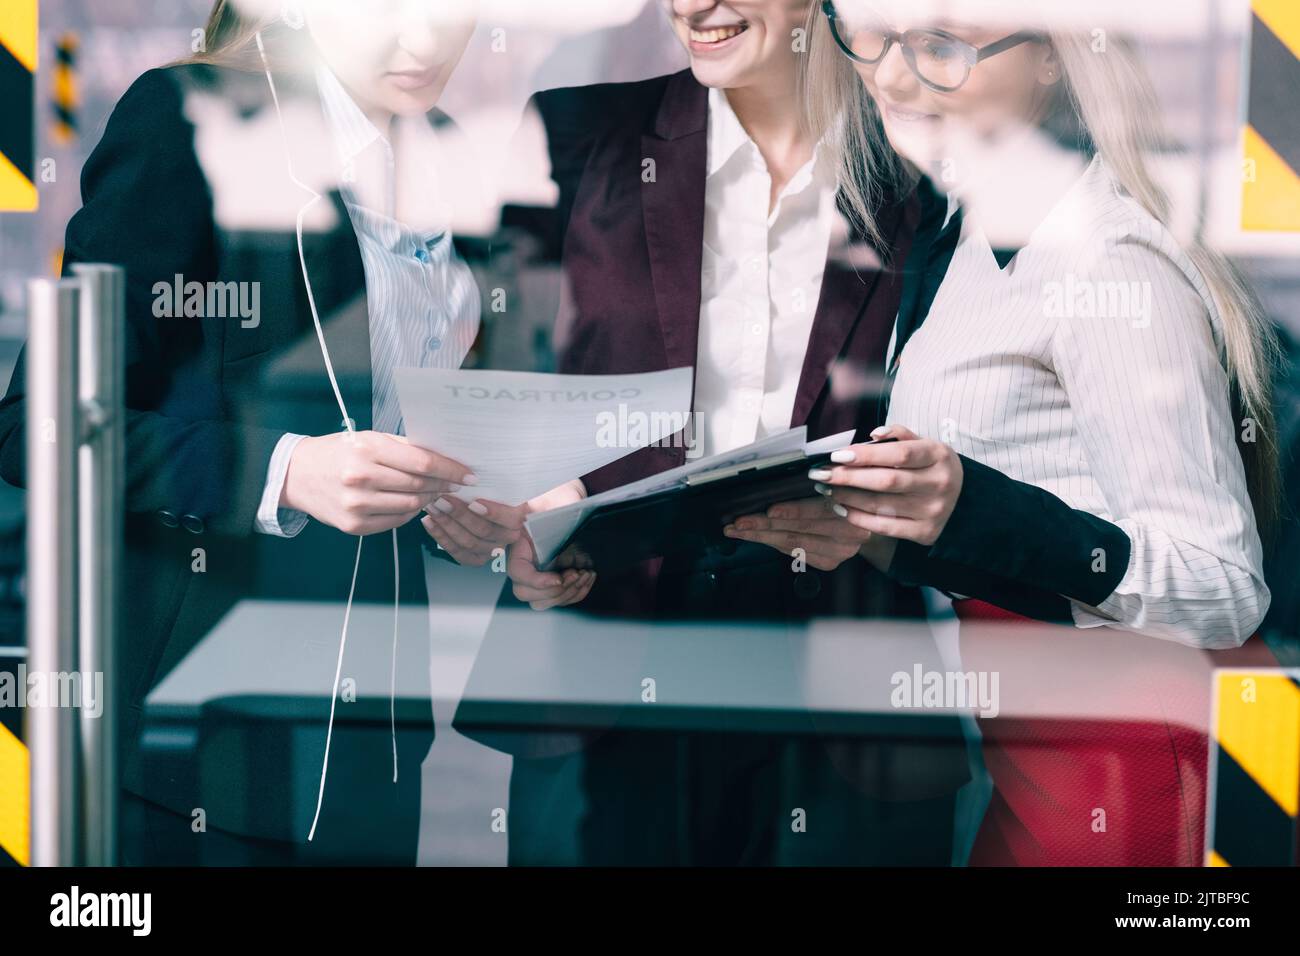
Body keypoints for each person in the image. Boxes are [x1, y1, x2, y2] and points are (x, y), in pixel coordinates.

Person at [728, 0, 1277, 865]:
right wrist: (876, 534)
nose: (896, 78)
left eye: (944, 45)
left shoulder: (1106, 261)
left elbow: (1222, 588)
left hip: (1130, 762)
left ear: (1055, 54)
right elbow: (1030, 509)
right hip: (1034, 754)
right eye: (874, 39)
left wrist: (965, 510)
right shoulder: (971, 233)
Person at [0, 0, 523, 864]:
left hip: (379, 738)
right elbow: (37, 425)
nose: (427, 39)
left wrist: (471, 510)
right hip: (199, 739)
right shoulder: (189, 120)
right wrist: (279, 473)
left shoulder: (447, 158)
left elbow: (406, 423)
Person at [478, 0, 971, 866]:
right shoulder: (578, 132)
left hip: (844, 663)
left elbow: (974, 417)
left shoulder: (924, 168)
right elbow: (490, 377)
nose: (694, 6)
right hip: (605, 635)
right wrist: (515, 513)